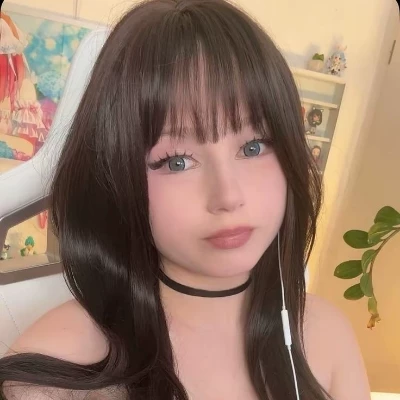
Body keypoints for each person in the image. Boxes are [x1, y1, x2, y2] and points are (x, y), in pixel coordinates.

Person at [0, 0, 371, 399]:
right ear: (117, 178)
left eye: (253, 147)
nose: (228, 197)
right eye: (176, 161)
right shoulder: (54, 373)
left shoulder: (328, 335)